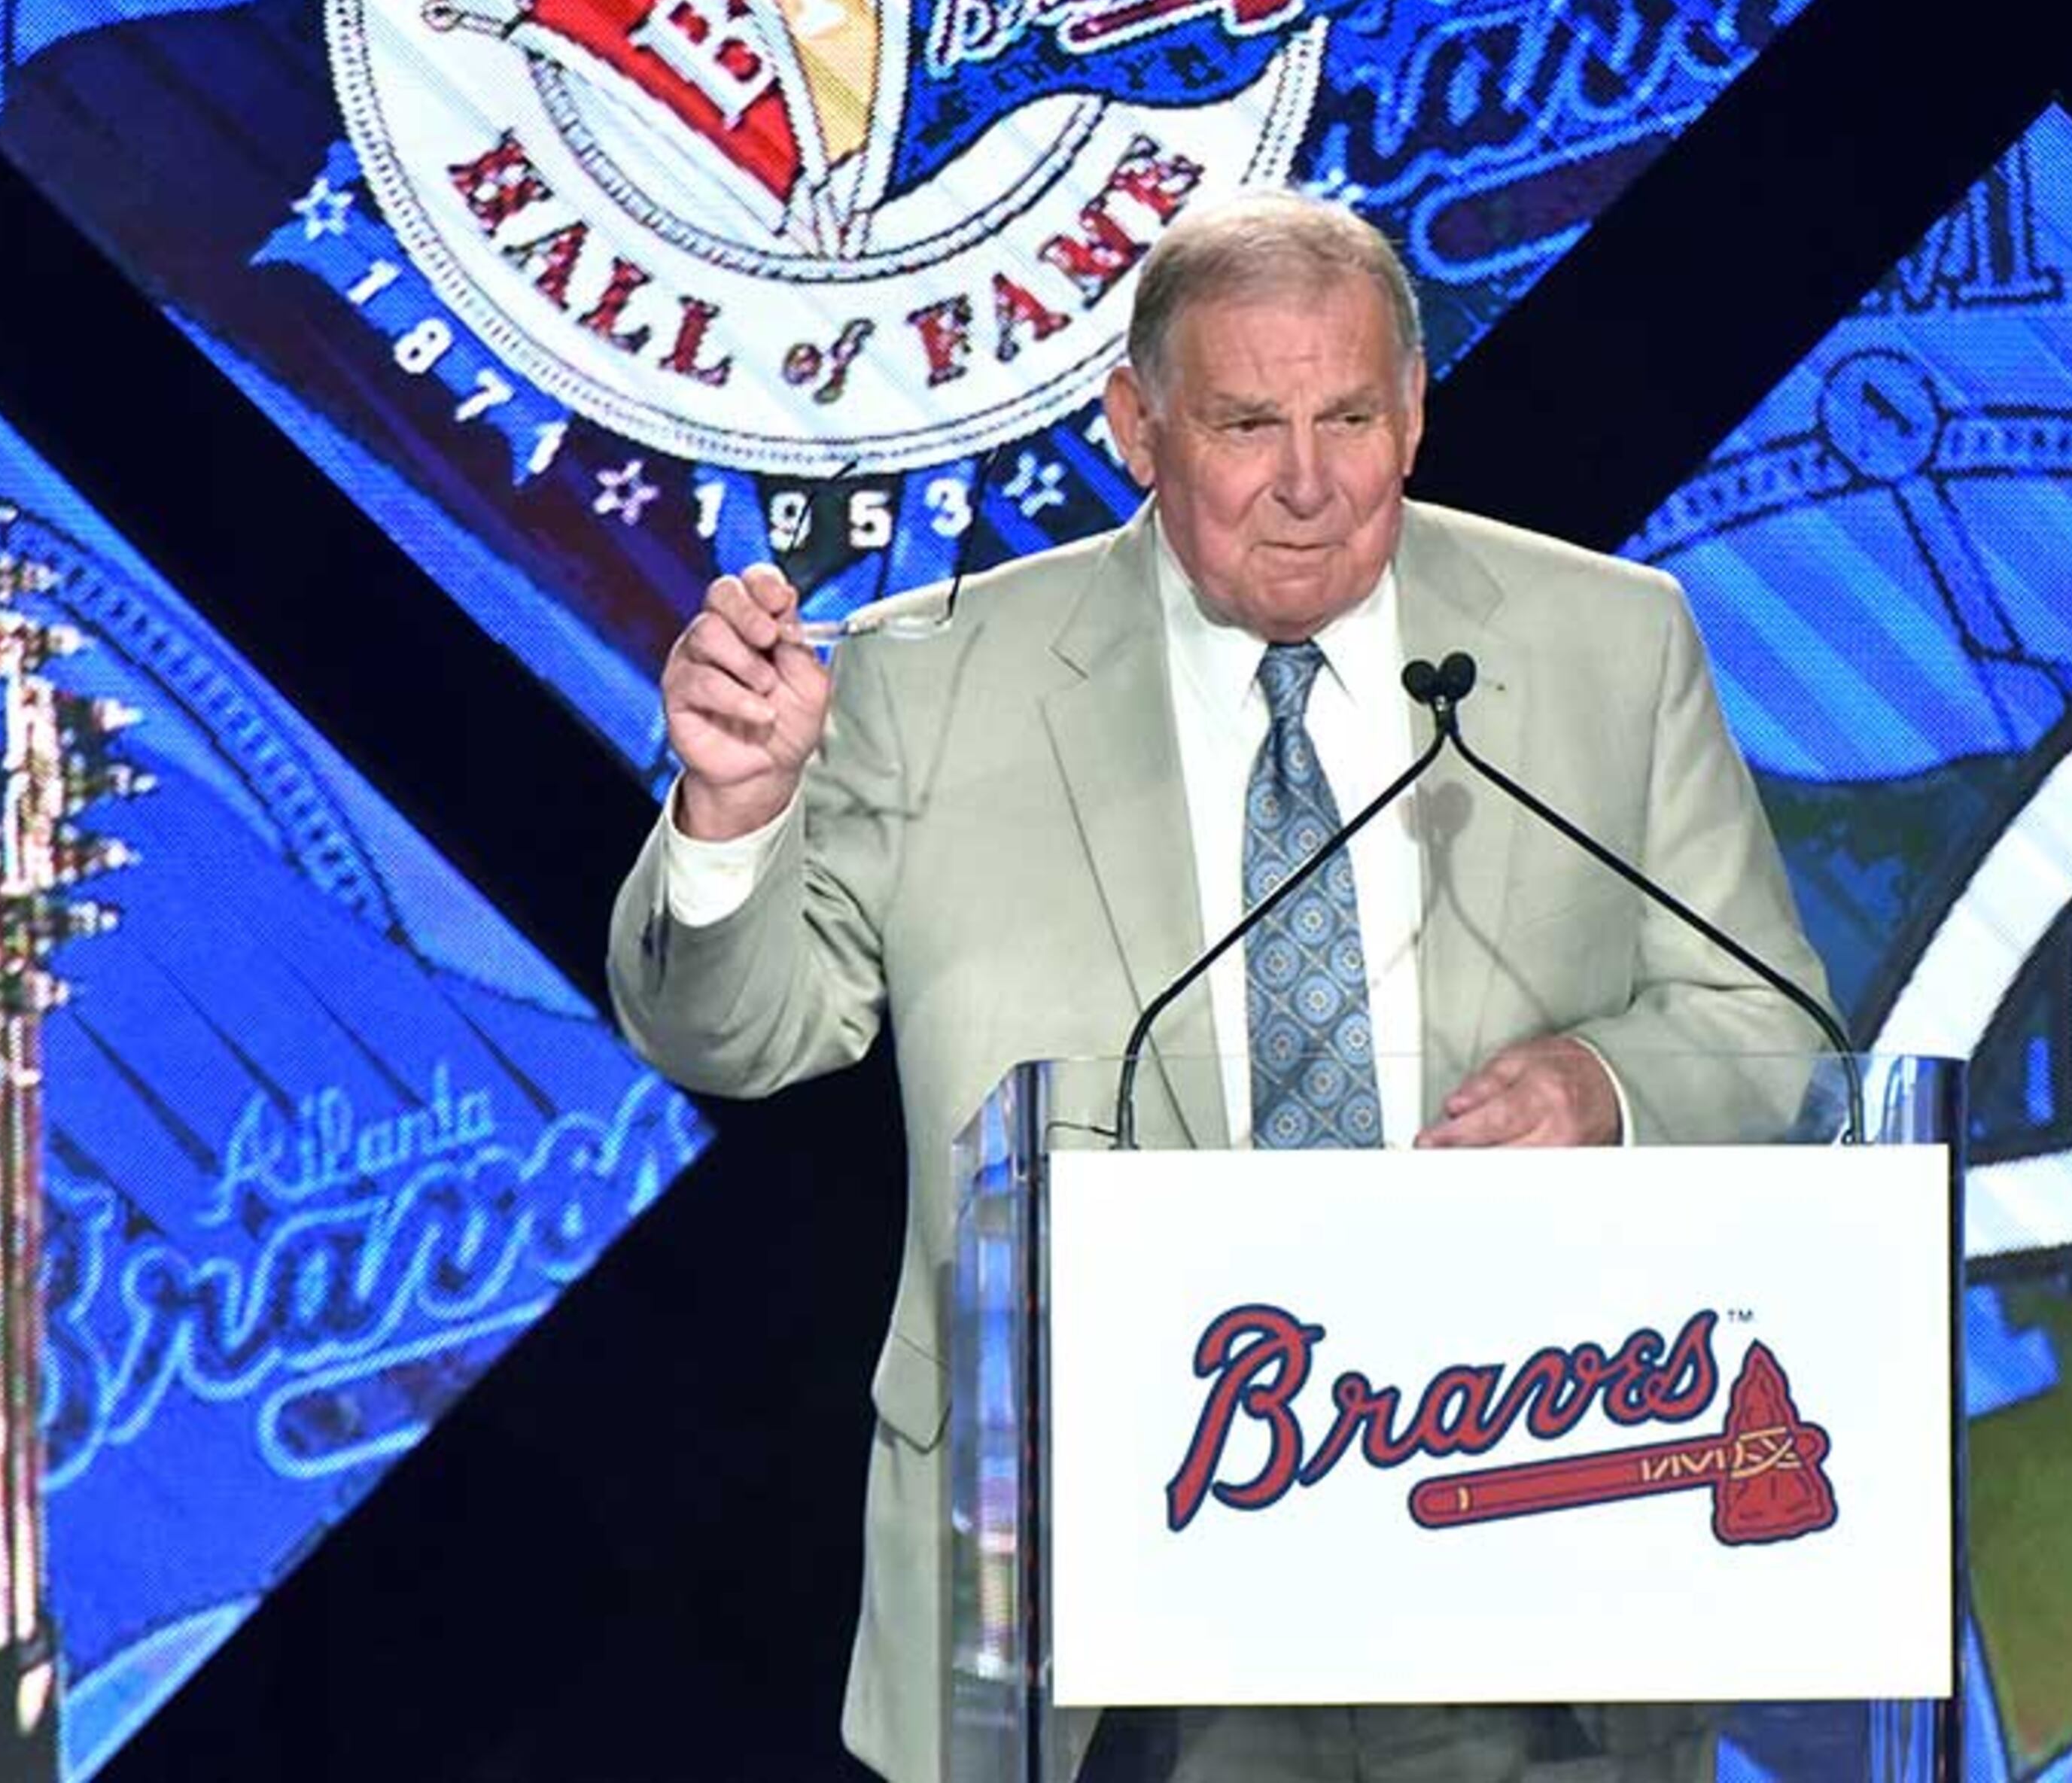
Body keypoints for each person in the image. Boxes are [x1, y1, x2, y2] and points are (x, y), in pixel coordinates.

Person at [608, 193, 1831, 1782]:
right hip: (1077, 1597)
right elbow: (745, 1032)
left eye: (1352, 419)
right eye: (1249, 425)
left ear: (1413, 412)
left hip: (1518, 1558)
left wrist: (1607, 1090)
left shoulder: (1609, 642)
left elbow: (1772, 1028)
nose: (1311, 487)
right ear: (1136, 424)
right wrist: (729, 823)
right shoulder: (929, 678)